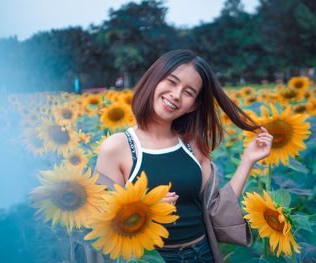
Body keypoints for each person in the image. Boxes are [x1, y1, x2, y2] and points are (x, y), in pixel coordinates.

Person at [95, 50, 273, 263]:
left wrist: (248, 160)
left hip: (202, 254)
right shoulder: (116, 148)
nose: (176, 95)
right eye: (171, 82)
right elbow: (102, 223)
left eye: (189, 92)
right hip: (153, 258)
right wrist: (145, 209)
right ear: (154, 80)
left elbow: (215, 210)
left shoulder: (192, 146)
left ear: (194, 106)